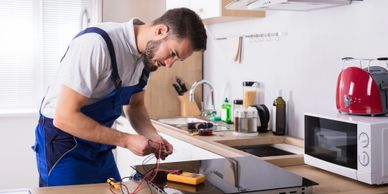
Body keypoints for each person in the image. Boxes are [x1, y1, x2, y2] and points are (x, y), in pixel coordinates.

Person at [32, 7, 207, 187]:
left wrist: (154, 138)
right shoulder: (96, 44)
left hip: (99, 146)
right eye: (172, 54)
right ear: (160, 31)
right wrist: (126, 140)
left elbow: (136, 106)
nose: (169, 65)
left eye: (177, 60)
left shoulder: (147, 58)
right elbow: (64, 118)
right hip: (64, 145)